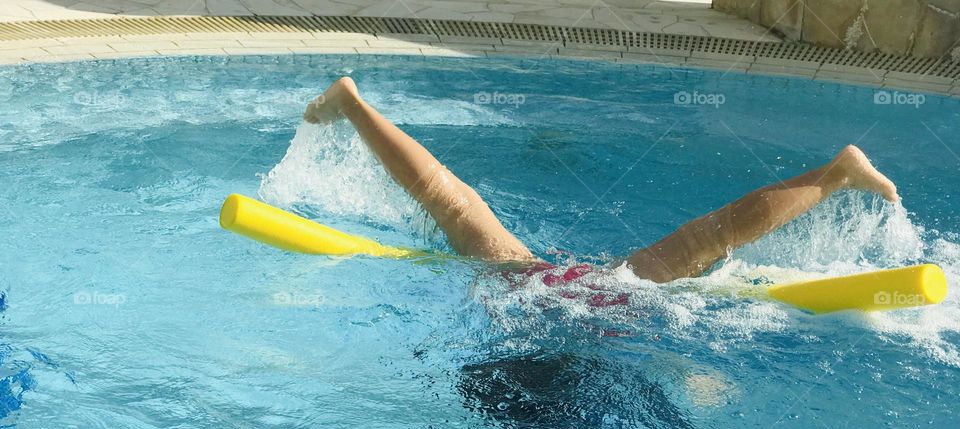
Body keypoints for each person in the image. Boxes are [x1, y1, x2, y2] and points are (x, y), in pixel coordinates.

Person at [304, 77, 898, 283]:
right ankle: (833, 175)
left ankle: (835, 175)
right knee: (453, 208)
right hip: (572, 294)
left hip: (568, 298)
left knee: (453, 206)